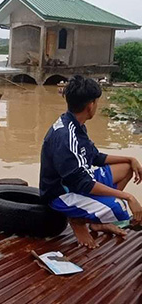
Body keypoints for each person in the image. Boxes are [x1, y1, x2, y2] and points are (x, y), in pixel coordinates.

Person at [39, 75, 142, 249]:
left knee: (126, 168)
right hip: (61, 193)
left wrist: (130, 159)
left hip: (78, 180)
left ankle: (96, 221)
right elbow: (82, 183)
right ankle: (78, 221)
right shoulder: (66, 137)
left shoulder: (76, 124)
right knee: (120, 209)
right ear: (90, 105)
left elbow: (94, 157)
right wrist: (128, 196)